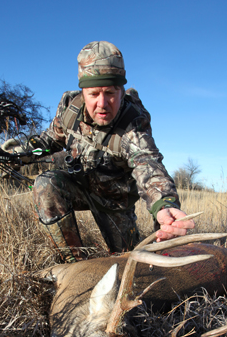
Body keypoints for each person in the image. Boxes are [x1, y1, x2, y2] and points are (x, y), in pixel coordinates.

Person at [28, 41, 194, 262]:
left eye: (110, 92)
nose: (102, 103)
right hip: (80, 187)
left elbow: (148, 163)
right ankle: (74, 267)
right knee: (46, 184)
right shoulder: (70, 109)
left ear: (122, 90)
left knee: (128, 260)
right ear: (83, 92)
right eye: (94, 93)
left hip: (114, 203)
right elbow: (48, 141)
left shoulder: (133, 124)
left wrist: (164, 204)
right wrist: (18, 152)